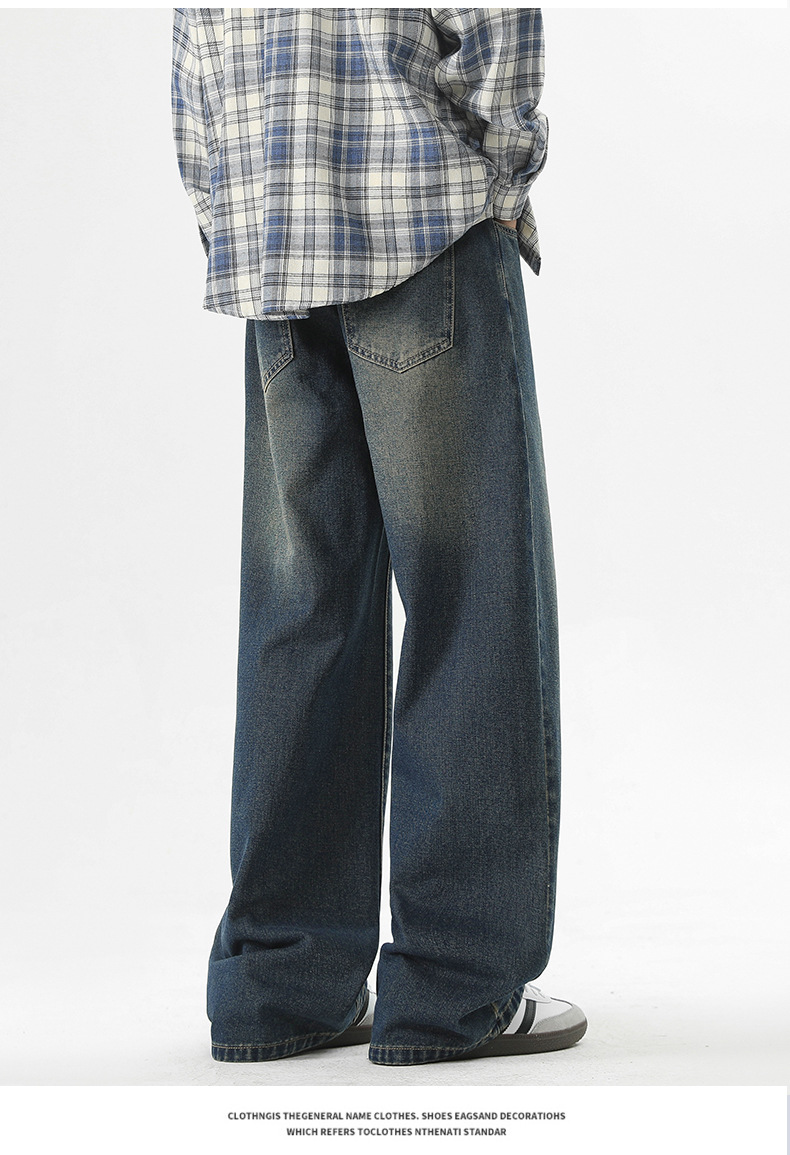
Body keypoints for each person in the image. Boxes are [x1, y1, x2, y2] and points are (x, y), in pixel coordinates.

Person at [171, 6, 587, 1067]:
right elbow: (493, 25)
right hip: (420, 222)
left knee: (300, 617)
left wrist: (231, 217)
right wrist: (502, 177)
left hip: (271, 245)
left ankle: (279, 986)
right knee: (470, 608)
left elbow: (192, 70)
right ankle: (453, 989)